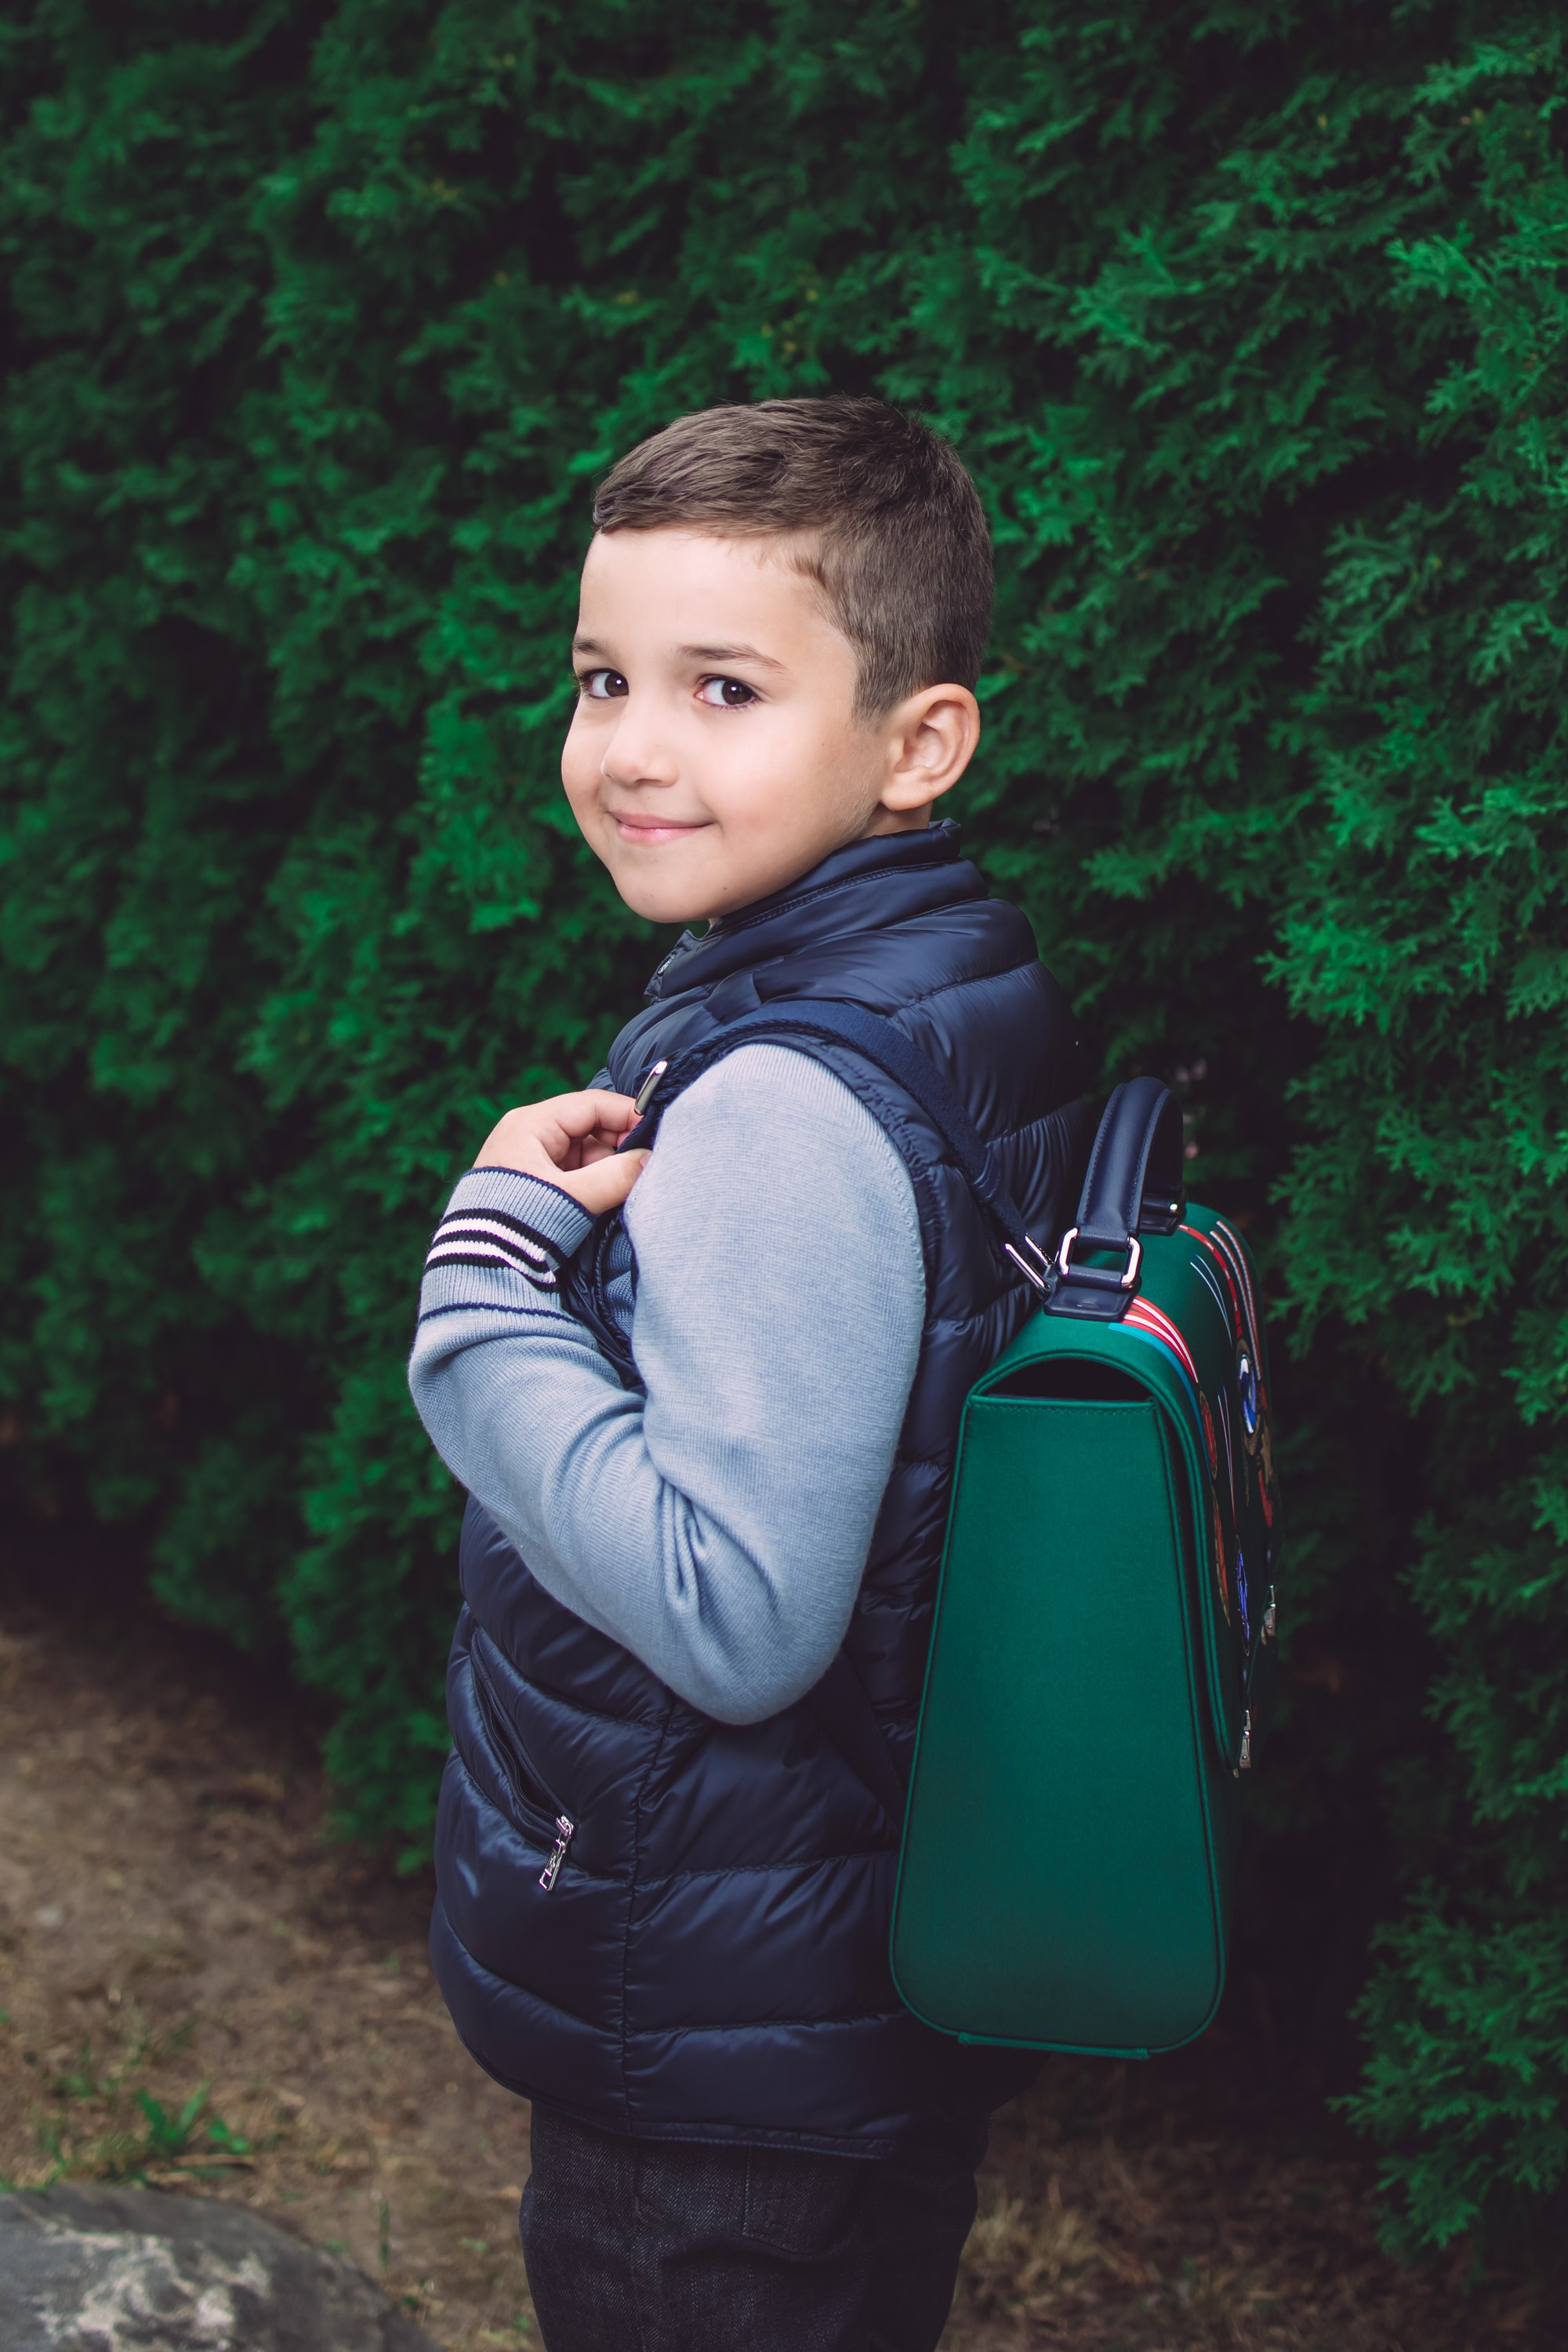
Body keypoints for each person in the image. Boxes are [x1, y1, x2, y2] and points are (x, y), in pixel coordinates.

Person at [408, 397, 1089, 2351]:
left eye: (722, 688)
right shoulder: (953, 979)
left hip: (713, 2049)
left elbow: (737, 1617)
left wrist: (480, 1303)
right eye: (603, 676)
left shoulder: (783, 1094)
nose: (631, 747)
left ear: (914, 741)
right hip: (846, 1961)